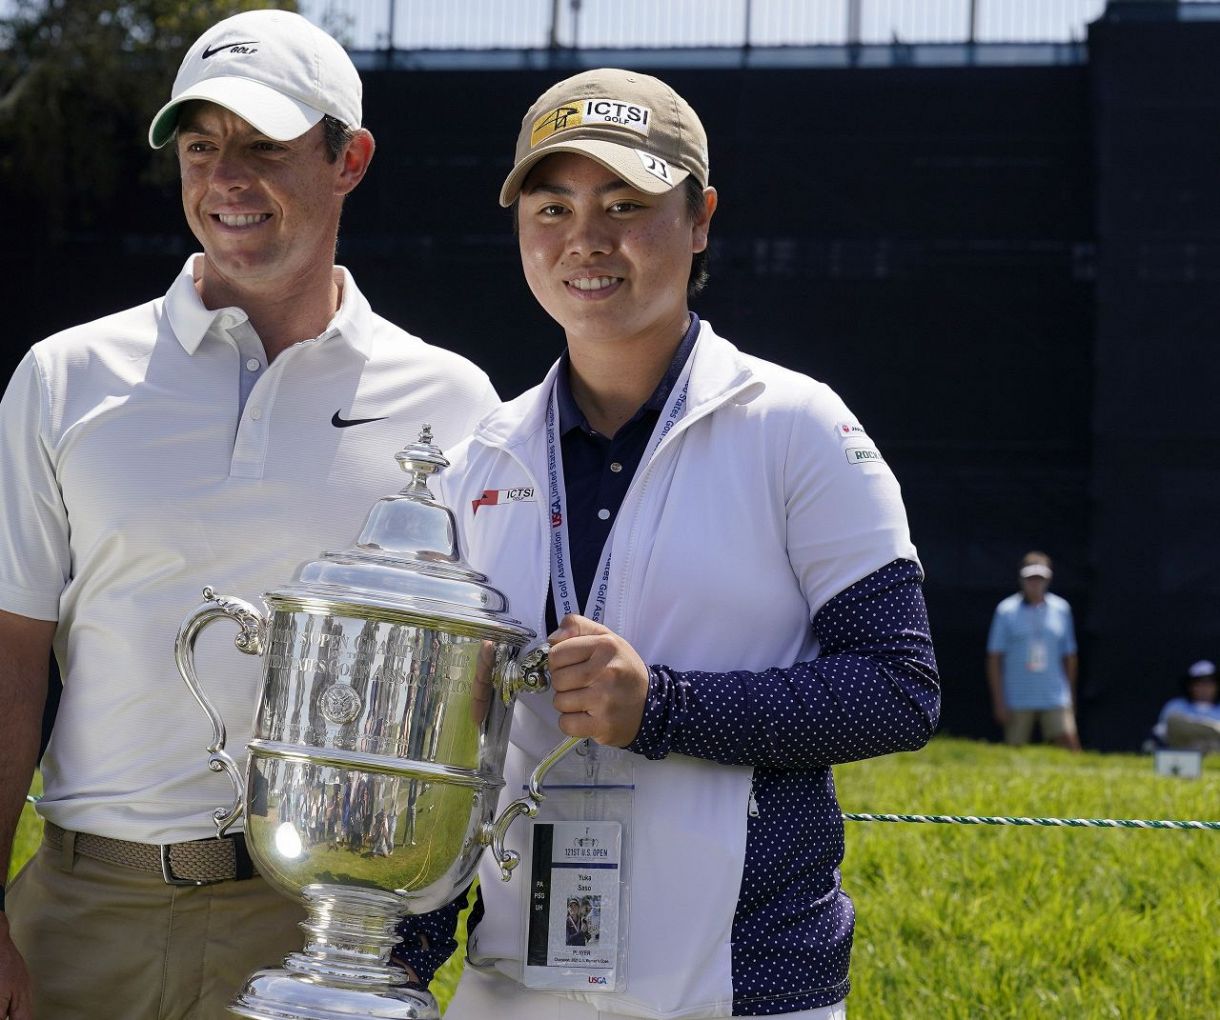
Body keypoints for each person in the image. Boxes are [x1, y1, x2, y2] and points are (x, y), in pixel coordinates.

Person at [398, 68, 941, 1019]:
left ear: (700, 220)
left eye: (627, 202)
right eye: (552, 204)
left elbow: (900, 688)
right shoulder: (476, 456)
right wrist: (391, 965)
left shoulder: (794, 424)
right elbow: (451, 749)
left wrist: (663, 708)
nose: (586, 239)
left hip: (745, 986)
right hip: (514, 989)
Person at [0, 10, 498, 1019]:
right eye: (200, 145)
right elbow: (10, 659)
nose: (226, 175)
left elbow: (484, 704)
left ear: (347, 159)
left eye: (263, 145)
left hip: (318, 933)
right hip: (79, 914)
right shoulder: (63, 378)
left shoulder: (453, 405)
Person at [985, 551, 1081, 750]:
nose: (1035, 583)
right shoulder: (1006, 610)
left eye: (1040, 578)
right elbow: (994, 658)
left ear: (1048, 579)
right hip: (1017, 696)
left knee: (1070, 746)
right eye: (1030, 578)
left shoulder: (1062, 609)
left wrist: (1070, 695)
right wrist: (999, 701)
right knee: (1015, 751)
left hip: (1055, 695)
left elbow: (1069, 656)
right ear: (1021, 579)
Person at [1150, 659, 1220, 751]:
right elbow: (1161, 733)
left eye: (1209, 683)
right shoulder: (1176, 705)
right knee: (1174, 720)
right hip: (1184, 750)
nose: (1204, 688)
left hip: (1215, 750)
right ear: (1190, 687)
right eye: (1199, 683)